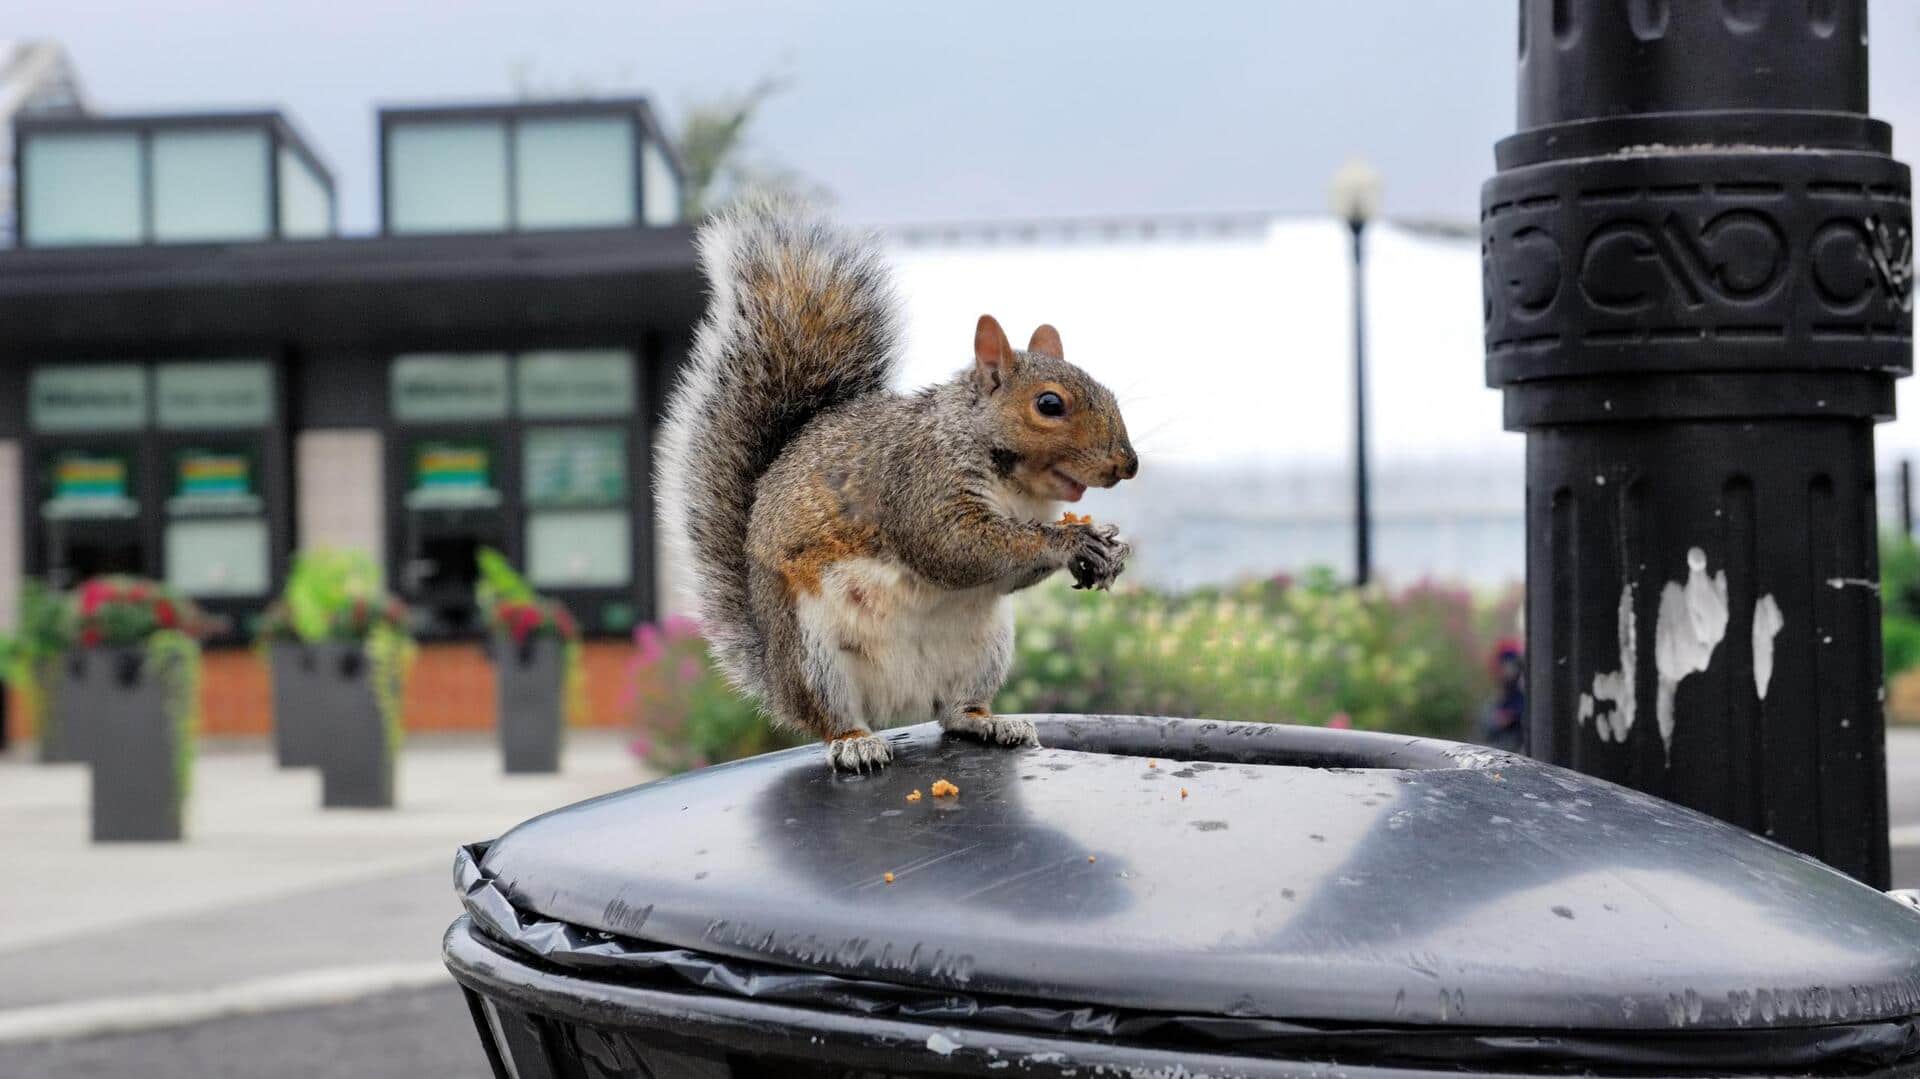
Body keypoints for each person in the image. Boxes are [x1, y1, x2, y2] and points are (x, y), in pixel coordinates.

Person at [1482, 637, 1526, 753]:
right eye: (1504, 666)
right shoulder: (1501, 697)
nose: (1507, 671)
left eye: (1511, 666)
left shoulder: (1521, 693)